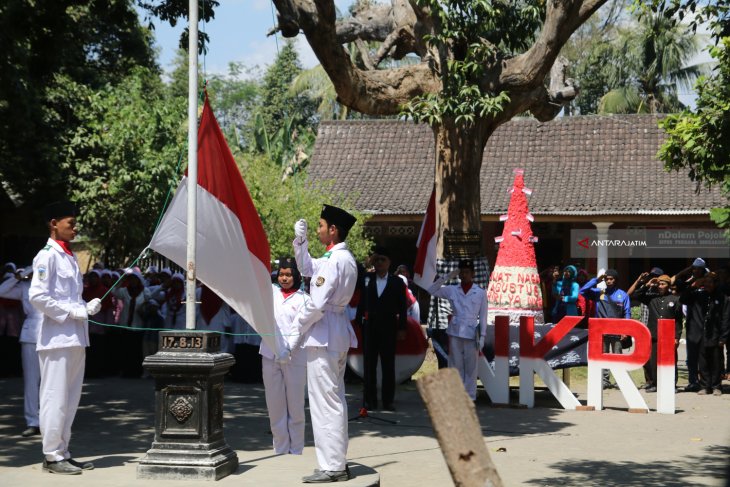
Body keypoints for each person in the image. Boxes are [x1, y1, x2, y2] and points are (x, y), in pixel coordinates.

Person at [28, 201, 102, 475]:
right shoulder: (46, 256)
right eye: (70, 223)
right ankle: (51, 453)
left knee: (70, 400)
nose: (75, 228)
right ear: (54, 223)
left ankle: (62, 452)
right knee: (54, 397)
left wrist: (86, 306)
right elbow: (37, 296)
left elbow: (69, 298)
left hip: (75, 337)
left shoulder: (69, 256)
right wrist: (75, 310)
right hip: (56, 337)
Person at [289, 204, 358, 483]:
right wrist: (301, 242)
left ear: (333, 230)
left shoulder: (334, 261)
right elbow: (307, 267)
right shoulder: (341, 258)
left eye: (320, 226)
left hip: (324, 333)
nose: (318, 229)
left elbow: (316, 304)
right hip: (335, 332)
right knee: (333, 399)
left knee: (324, 403)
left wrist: (295, 329)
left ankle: (333, 465)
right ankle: (335, 461)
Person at [260, 257, 310, 455]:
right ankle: (280, 449)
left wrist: (288, 349)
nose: (284, 278)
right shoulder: (270, 294)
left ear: (296, 276)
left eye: (288, 274)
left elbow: (300, 327)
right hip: (269, 354)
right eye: (281, 274)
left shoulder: (303, 299)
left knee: (295, 405)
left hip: (295, 357)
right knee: (275, 405)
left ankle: (296, 449)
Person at [426, 259, 488, 401]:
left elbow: (483, 316)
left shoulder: (480, 292)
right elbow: (431, 290)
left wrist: (483, 335)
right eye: (462, 272)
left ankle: (470, 396)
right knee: (455, 363)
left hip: (472, 333)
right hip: (455, 331)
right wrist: (447, 276)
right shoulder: (452, 289)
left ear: (473, 273)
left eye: (467, 272)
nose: (464, 275)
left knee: (471, 366)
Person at [357, 247, 407, 411]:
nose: (379, 263)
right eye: (377, 260)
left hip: (388, 327)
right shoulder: (367, 279)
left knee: (388, 365)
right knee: (369, 364)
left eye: (382, 260)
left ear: (389, 263)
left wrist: (402, 328)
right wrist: (359, 322)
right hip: (369, 327)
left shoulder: (397, 282)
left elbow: (402, 307)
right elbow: (361, 302)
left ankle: (388, 400)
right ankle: (370, 400)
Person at [0, 266, 42, 436]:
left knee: (51, 381)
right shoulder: (25, 288)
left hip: (52, 335)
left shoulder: (54, 285)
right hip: (31, 334)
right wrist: (17, 277)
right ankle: (33, 421)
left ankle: (49, 421)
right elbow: (1, 290)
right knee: (31, 381)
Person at [579, 269, 631, 389]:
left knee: (618, 356)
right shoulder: (599, 292)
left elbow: (627, 313)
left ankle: (620, 380)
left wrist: (626, 330)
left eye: (611, 279)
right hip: (601, 331)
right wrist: (597, 280)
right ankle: (604, 381)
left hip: (617, 331)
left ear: (616, 280)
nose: (609, 281)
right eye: (607, 279)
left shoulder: (623, 295)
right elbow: (582, 291)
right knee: (603, 356)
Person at [680, 272, 729, 396]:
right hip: (701, 334)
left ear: (715, 283)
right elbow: (683, 299)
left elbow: (726, 318)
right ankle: (705, 386)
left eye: (710, 282)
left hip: (716, 335)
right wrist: (692, 286)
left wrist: (723, 337)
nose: (707, 284)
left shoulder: (723, 298)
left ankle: (716, 386)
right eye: (705, 282)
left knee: (716, 361)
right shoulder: (698, 295)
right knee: (703, 361)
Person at [632, 274, 683, 392]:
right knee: (653, 360)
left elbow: (678, 320)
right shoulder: (651, 297)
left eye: (663, 284)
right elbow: (635, 295)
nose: (660, 286)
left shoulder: (675, 299)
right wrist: (647, 285)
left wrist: (677, 336)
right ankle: (655, 383)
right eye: (659, 284)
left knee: (670, 360)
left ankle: (671, 385)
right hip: (654, 334)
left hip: (669, 335)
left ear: (668, 286)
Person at [673, 258, 708, 391]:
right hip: (693, 327)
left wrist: (706, 280)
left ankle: (705, 383)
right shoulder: (689, 285)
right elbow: (681, 297)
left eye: (698, 268)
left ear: (703, 270)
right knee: (692, 358)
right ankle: (693, 382)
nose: (695, 271)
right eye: (693, 268)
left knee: (705, 357)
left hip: (706, 327)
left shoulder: (709, 284)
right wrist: (691, 284)